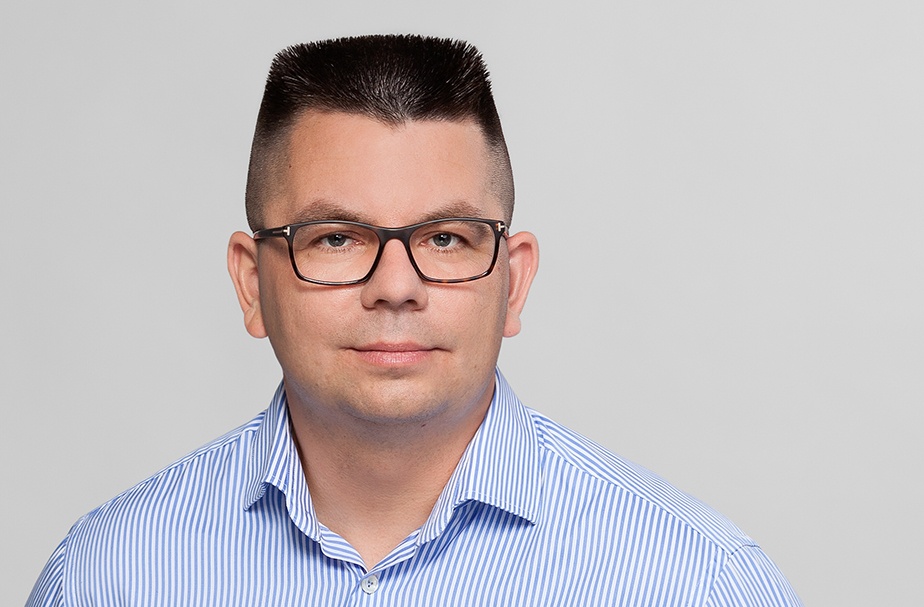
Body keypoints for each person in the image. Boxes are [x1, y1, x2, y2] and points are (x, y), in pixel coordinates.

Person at [27, 34, 802, 606]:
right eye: (335, 237)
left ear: (514, 279)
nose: (395, 286)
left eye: (445, 237)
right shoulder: (110, 575)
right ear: (251, 282)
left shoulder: (700, 581)